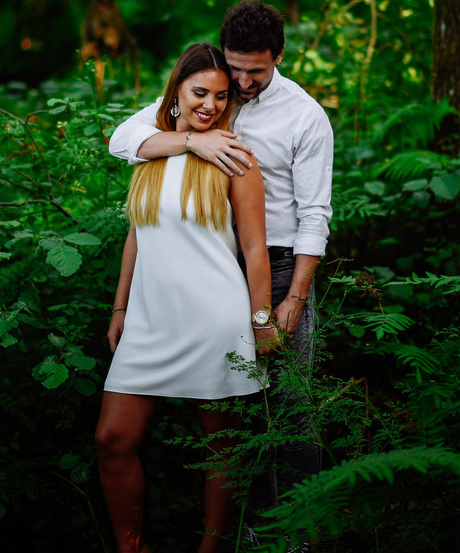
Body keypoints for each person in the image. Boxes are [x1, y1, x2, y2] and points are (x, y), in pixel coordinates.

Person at [108, 0, 334, 548]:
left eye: (256, 71)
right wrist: (194, 139)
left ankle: (295, 538)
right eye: (236, 69)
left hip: (276, 264)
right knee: (241, 422)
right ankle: (251, 534)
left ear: (279, 56)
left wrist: (290, 301)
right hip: (201, 258)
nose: (242, 83)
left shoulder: (304, 116)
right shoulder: (206, 94)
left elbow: (314, 216)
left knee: (287, 412)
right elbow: (122, 140)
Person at [96, 42, 280, 553]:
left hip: (216, 322)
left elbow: (255, 249)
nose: (210, 105)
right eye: (200, 92)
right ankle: (132, 547)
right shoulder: (151, 151)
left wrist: (262, 320)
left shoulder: (236, 158)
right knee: (112, 441)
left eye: (221, 97)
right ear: (176, 91)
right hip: (149, 322)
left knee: (222, 449)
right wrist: (120, 307)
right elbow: (138, 233)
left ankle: (211, 548)